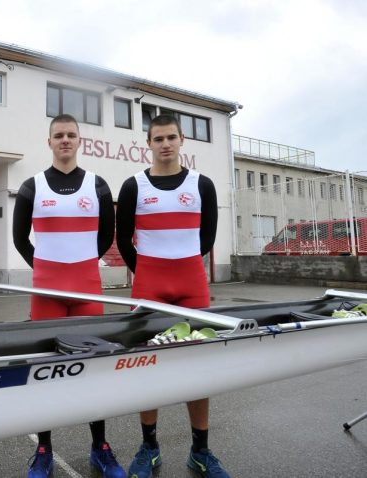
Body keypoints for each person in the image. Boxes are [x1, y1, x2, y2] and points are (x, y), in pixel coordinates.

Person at [13, 114, 126, 478]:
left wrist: (79, 266)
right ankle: (44, 450)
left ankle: (100, 448)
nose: (65, 140)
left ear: (80, 142)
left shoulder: (98, 186)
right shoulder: (32, 186)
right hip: (46, 292)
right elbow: (19, 239)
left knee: (93, 372)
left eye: (71, 135)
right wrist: (45, 268)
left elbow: (106, 237)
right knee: (44, 371)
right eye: (58, 135)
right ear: (49, 142)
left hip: (86, 289)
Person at [115, 115, 228, 478]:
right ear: (147, 143)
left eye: (171, 138)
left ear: (182, 141)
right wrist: (147, 268)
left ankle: (201, 449)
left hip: (191, 282)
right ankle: (149, 446)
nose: (165, 144)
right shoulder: (133, 186)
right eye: (158, 138)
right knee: (146, 365)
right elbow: (123, 239)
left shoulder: (202, 184)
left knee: (200, 366)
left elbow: (206, 238)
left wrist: (182, 264)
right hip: (149, 284)